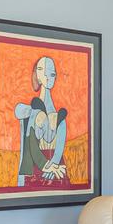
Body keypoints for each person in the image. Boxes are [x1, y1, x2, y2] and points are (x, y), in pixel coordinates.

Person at [13, 55, 68, 186]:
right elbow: (31, 141)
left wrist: (53, 163)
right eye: (41, 69)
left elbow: (60, 145)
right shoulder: (32, 111)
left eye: (52, 72)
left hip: (55, 168)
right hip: (34, 167)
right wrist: (45, 165)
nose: (48, 75)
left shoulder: (59, 117)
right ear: (37, 74)